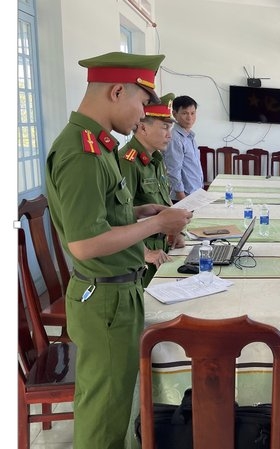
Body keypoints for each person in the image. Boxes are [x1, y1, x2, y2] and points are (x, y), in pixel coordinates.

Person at [45, 52, 193, 449]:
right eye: (142, 105)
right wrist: (157, 225)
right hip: (105, 296)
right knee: (104, 411)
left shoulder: (99, 145)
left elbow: (104, 215)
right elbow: (86, 242)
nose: (143, 116)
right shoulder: (82, 152)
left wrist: (141, 210)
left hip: (116, 292)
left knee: (115, 403)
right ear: (116, 92)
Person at [119, 92, 186, 286]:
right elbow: (119, 217)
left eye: (170, 127)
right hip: (141, 258)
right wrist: (145, 252)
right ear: (142, 128)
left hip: (162, 246)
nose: (169, 134)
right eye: (164, 127)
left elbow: (163, 204)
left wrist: (174, 232)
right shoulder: (128, 162)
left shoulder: (155, 161)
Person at [164, 95, 203, 201]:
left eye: (192, 113)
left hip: (194, 193)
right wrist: (183, 199)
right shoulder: (175, 138)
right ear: (175, 114)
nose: (189, 117)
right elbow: (173, 171)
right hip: (183, 197)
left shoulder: (189, 136)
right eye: (185, 113)